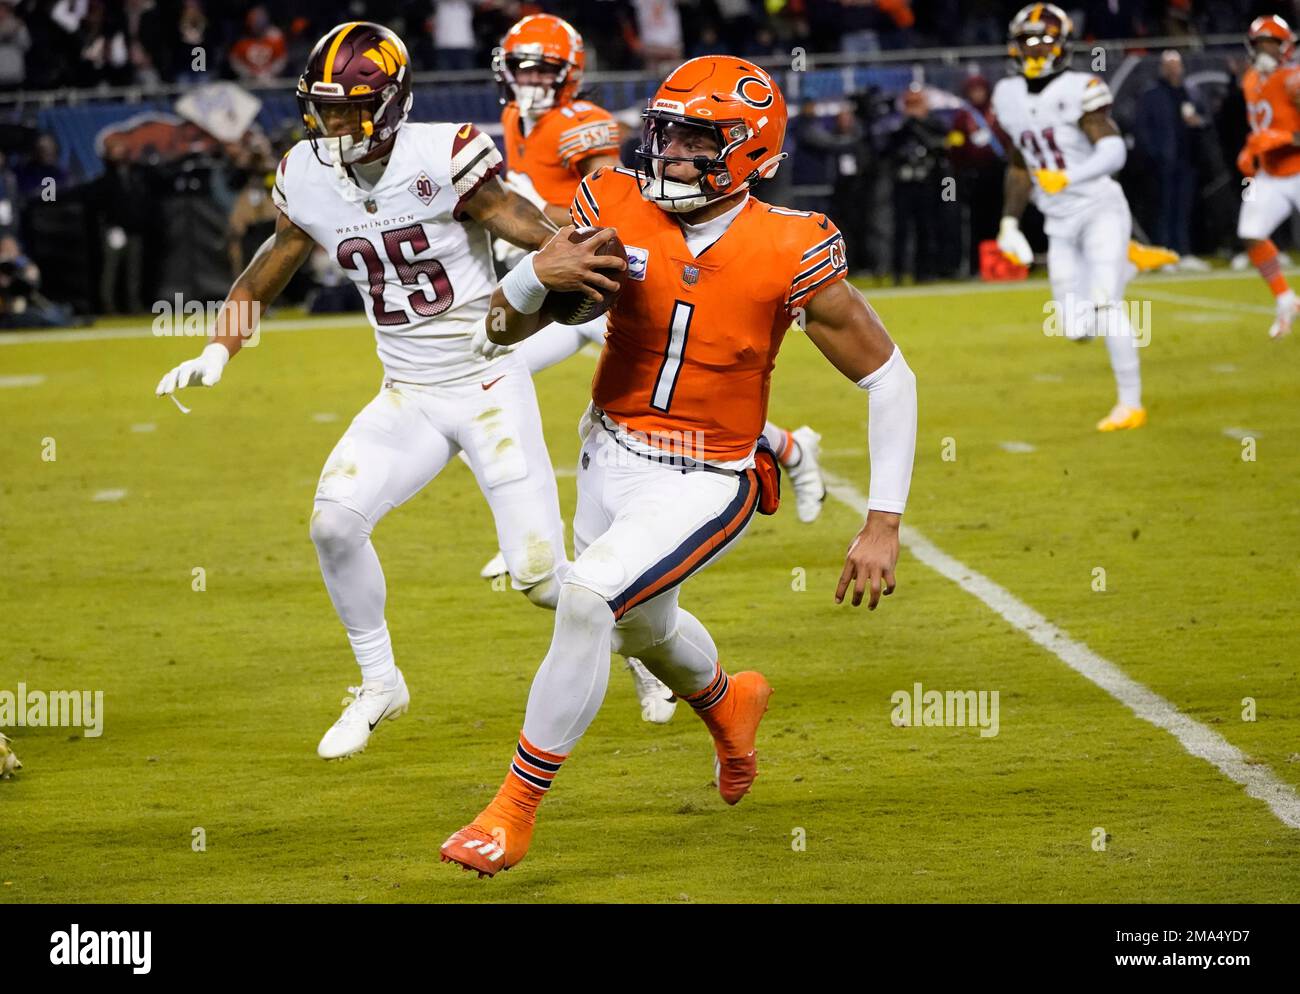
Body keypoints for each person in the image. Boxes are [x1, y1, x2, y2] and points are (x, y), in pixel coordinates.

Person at [439, 55, 917, 877]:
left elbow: (889, 376)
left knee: (588, 600)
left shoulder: (791, 244)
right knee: (641, 629)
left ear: (752, 152)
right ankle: (729, 703)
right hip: (604, 449)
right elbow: (497, 335)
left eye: (698, 142)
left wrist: (881, 521)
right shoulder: (611, 205)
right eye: (667, 135)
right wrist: (530, 276)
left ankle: (511, 809)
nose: (672, 157)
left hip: (708, 478)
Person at [154, 22, 571, 761]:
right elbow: (273, 258)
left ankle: (639, 642)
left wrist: (591, 260)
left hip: (486, 382)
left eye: (353, 107)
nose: (337, 122)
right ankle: (380, 683)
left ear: (394, 101)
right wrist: (220, 347)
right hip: (407, 391)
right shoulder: (307, 170)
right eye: (326, 107)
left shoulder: (441, 154)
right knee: (333, 525)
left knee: (541, 580)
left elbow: (530, 228)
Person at [993, 3, 1149, 432]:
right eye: (1028, 39)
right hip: (1057, 220)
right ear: (1015, 45)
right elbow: (1020, 164)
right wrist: (1008, 224)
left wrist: (1069, 176)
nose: (1036, 48)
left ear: (1062, 43)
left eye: (1044, 39)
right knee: (1076, 328)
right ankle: (1129, 263)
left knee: (1105, 303)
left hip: (1099, 207)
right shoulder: (1006, 95)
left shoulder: (1082, 86)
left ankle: (1131, 404)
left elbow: (1114, 149)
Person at [1234, 15, 1300, 340]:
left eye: (1271, 45)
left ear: (1285, 47)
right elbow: (1260, 128)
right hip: (1271, 174)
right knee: (1250, 232)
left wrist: (1283, 139)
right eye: (1260, 45)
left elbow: (1281, 131)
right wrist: (1253, 149)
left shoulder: (1294, 79)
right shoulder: (1250, 80)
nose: (1265, 51)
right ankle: (1285, 298)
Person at [1135, 50, 1206, 265]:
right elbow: (1142, 128)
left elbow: (1206, 118)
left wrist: (1198, 122)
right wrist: (1154, 155)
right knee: (1163, 210)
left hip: (1187, 160)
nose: (1174, 70)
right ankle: (1164, 253)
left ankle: (1183, 253)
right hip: (1163, 162)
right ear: (1162, 69)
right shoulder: (1152, 94)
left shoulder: (1191, 91)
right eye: (1169, 66)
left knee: (1183, 208)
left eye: (1177, 65)